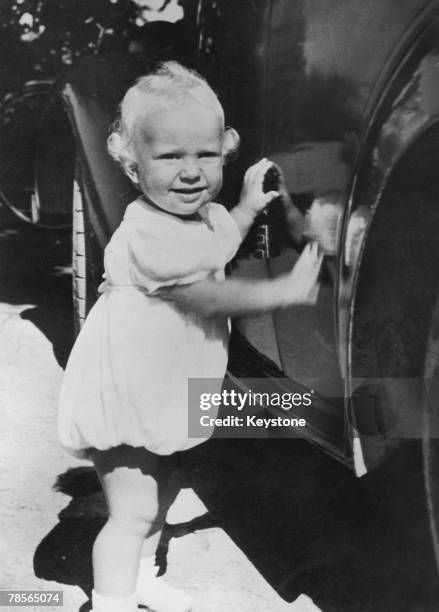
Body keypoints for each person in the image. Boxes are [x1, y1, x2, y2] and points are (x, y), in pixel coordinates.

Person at [58, 61, 323, 612]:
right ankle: (111, 601)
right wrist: (284, 291)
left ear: (224, 152)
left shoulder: (197, 218)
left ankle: (144, 579)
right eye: (170, 156)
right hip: (128, 393)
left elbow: (220, 240)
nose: (191, 172)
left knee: (166, 489)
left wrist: (248, 206)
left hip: (171, 386)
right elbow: (202, 295)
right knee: (131, 510)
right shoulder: (144, 234)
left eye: (205, 154)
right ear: (132, 166)